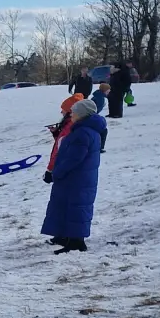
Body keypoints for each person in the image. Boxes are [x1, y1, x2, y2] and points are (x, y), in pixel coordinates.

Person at [43, 98, 106, 254]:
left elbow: (73, 158)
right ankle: (66, 236)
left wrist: (58, 172)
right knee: (67, 206)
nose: (71, 116)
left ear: (82, 115)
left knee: (77, 208)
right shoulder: (83, 130)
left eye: (74, 113)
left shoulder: (83, 133)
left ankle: (76, 242)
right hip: (76, 178)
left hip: (77, 178)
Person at [45, 94, 86, 183]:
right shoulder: (71, 124)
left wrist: (50, 170)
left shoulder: (71, 126)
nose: (61, 112)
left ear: (70, 112)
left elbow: (59, 149)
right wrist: (56, 132)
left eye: (63, 109)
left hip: (67, 172)